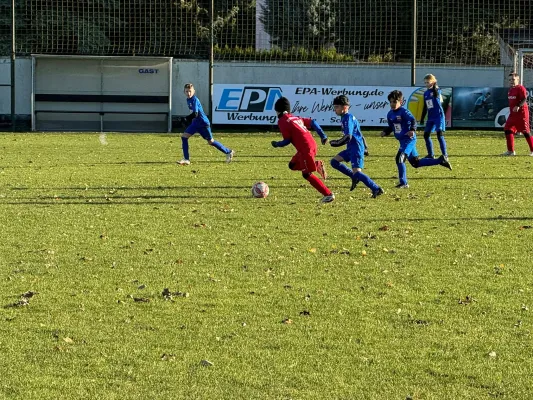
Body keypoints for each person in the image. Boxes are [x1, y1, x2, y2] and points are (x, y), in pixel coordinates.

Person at [381, 90, 452, 188]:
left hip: (409, 139)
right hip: (402, 140)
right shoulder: (390, 114)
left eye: (395, 102)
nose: (392, 104)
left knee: (399, 158)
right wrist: (386, 131)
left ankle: (403, 182)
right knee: (416, 163)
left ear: (400, 102)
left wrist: (412, 130)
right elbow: (392, 126)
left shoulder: (404, 112)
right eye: (391, 102)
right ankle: (440, 160)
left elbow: (413, 120)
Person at [271, 97, 334, 203]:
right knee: (292, 165)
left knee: (306, 174)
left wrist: (277, 144)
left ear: (278, 110)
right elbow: (313, 122)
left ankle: (328, 194)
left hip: (306, 149)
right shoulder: (295, 118)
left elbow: (287, 140)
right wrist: (323, 135)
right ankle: (316, 164)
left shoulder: (282, 121)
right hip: (310, 145)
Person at [329, 95, 384, 198]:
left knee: (357, 173)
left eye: (336, 107)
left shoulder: (348, 118)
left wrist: (336, 143)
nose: (334, 109)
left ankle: (376, 188)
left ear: (345, 107)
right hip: (351, 148)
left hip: (356, 148)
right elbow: (360, 134)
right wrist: (366, 147)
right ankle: (353, 176)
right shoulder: (345, 117)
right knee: (334, 162)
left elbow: (348, 137)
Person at [178, 83, 235, 165]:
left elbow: (196, 114)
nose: (188, 93)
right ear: (184, 92)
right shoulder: (188, 100)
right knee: (184, 137)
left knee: (211, 142)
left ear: (194, 91)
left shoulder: (194, 100)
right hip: (195, 124)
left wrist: (186, 118)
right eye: (186, 91)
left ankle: (228, 152)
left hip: (203, 123)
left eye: (190, 91)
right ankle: (186, 159)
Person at [501, 72, 533, 156]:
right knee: (508, 129)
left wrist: (518, 106)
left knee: (526, 131)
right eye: (510, 80)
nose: (511, 81)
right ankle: (511, 151)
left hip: (522, 114)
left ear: (518, 80)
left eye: (513, 79)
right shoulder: (510, 90)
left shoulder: (521, 88)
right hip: (513, 115)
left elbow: (524, 99)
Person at [419, 74, 448, 160]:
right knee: (426, 135)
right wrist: (422, 118)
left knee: (439, 134)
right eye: (425, 83)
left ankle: (445, 155)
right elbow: (425, 106)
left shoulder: (437, 90)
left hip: (438, 116)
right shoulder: (426, 93)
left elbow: (436, 93)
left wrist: (435, 85)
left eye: (428, 82)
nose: (426, 84)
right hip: (430, 117)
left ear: (433, 82)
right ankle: (431, 154)